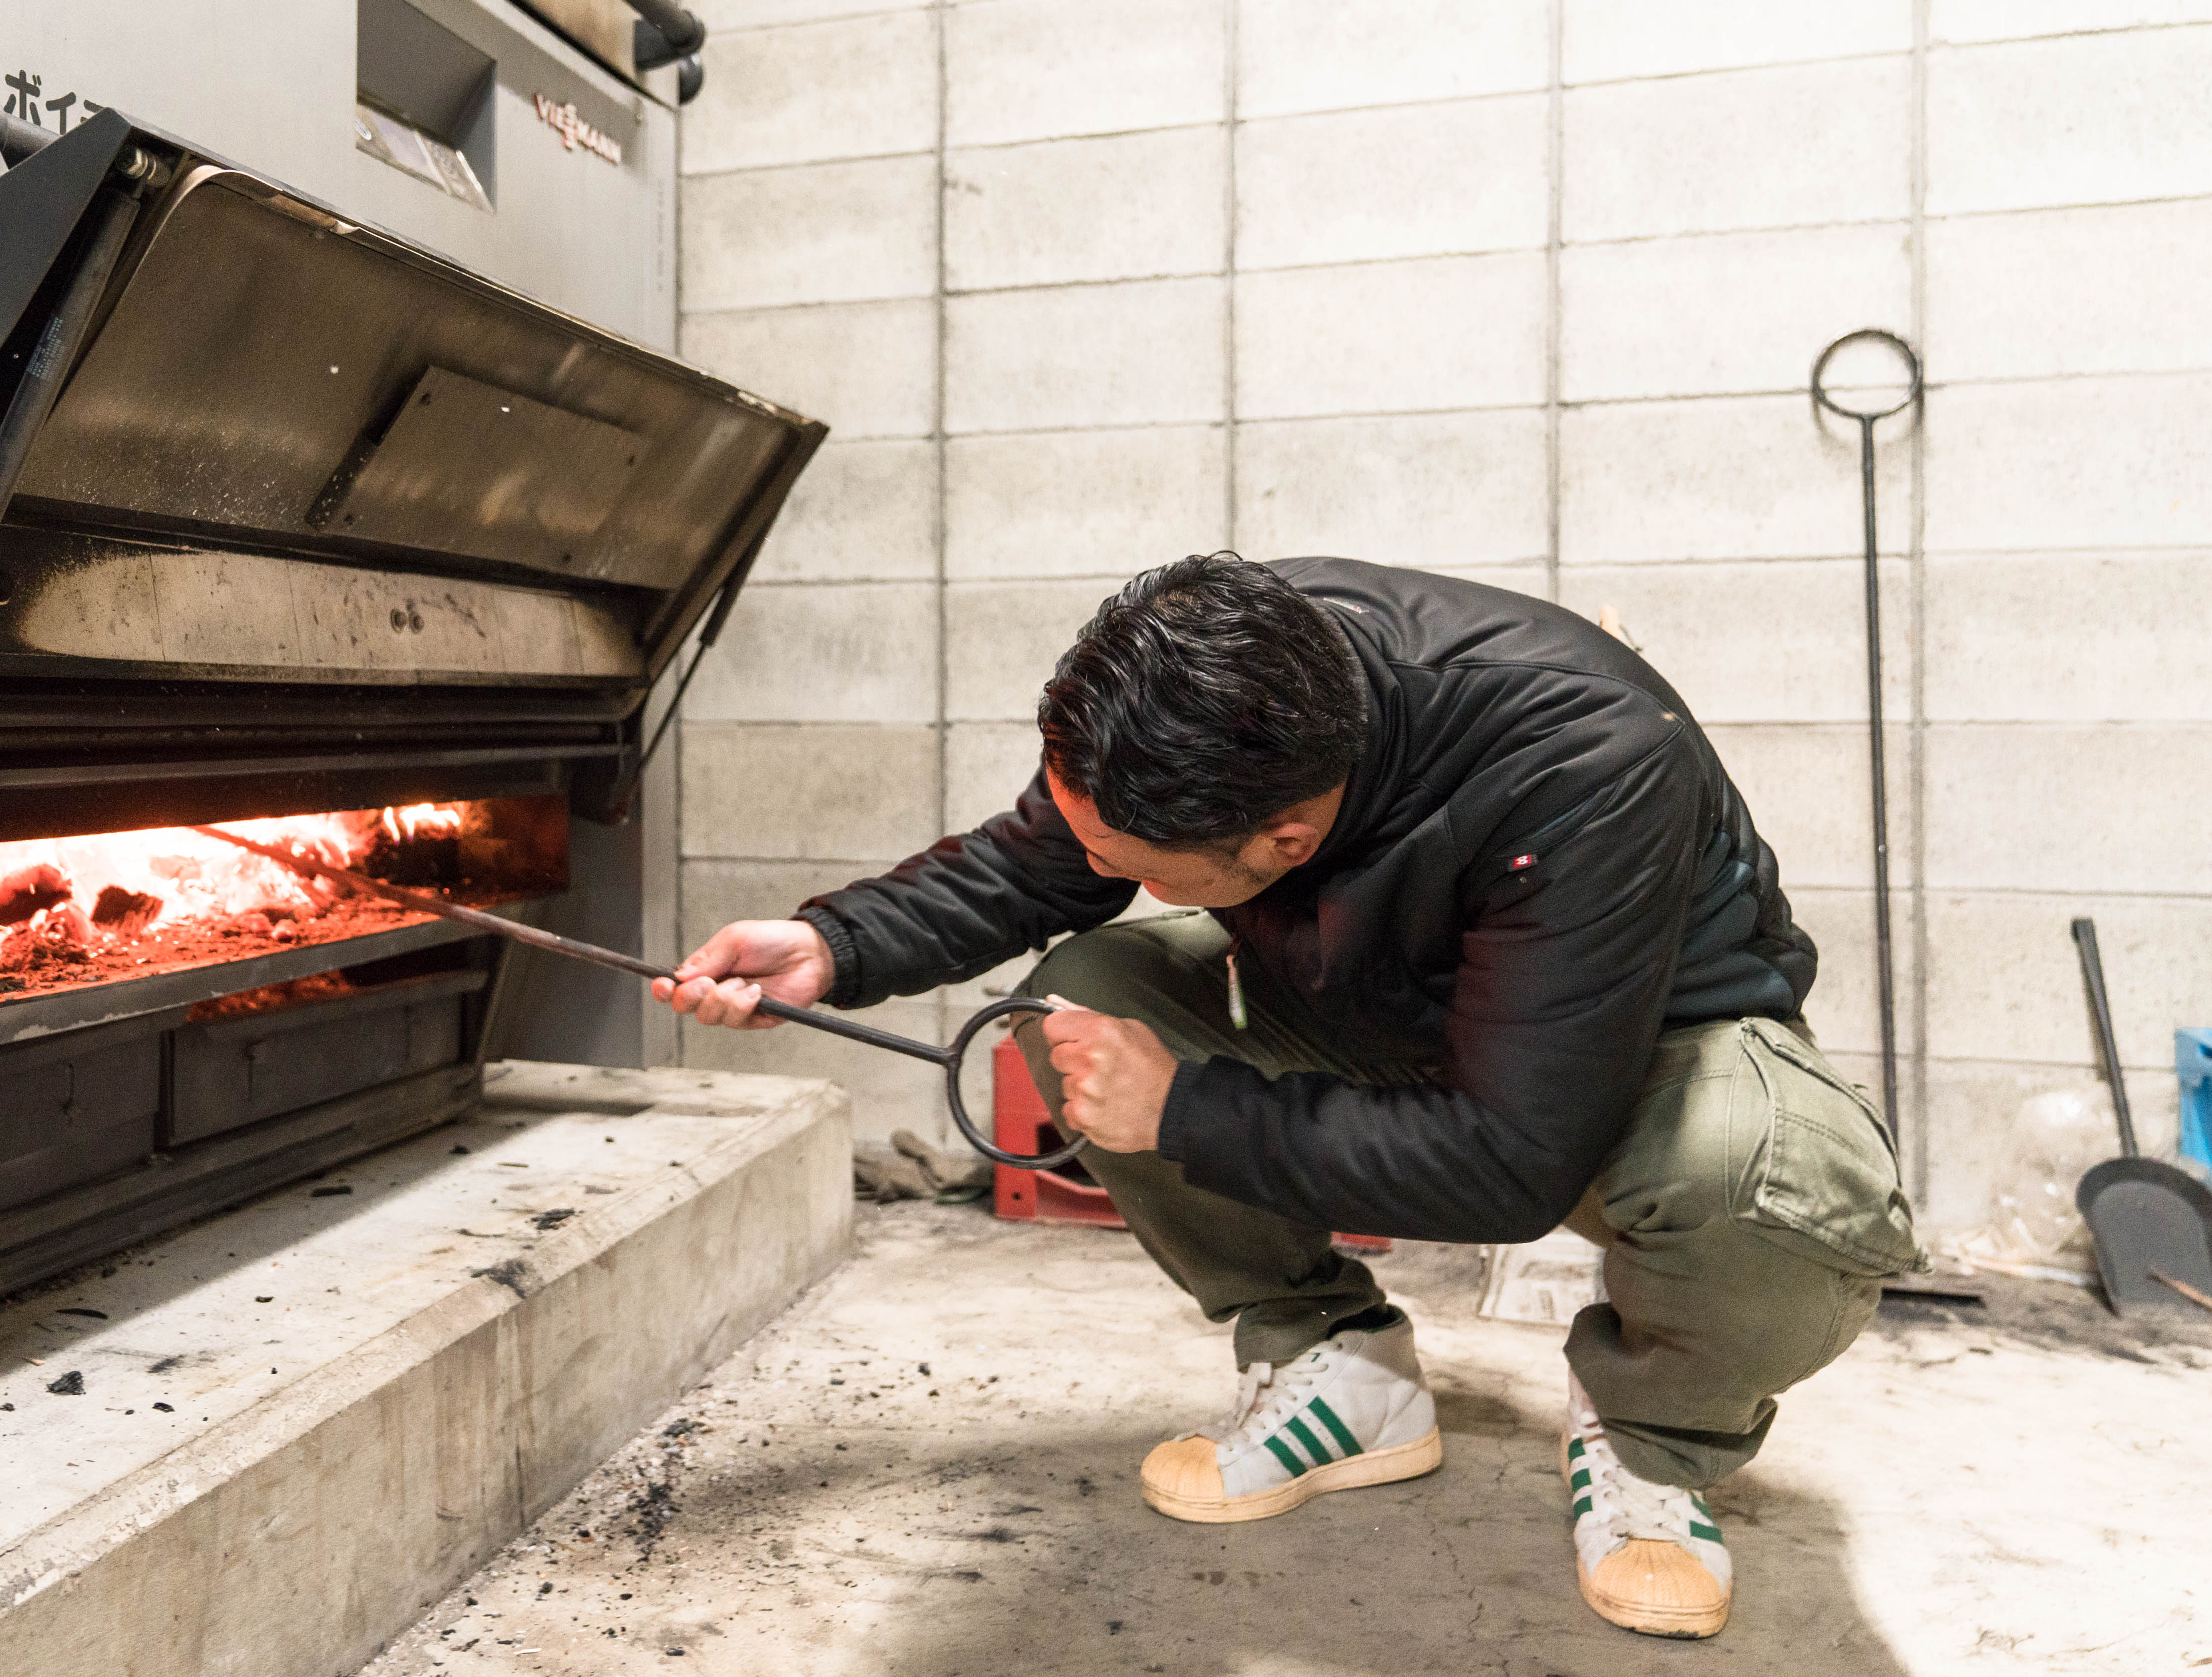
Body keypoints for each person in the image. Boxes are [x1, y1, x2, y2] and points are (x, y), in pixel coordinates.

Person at [654, 554, 1920, 1641]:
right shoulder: (1215, 679)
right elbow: (1036, 863)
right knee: (1087, 993)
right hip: (1375, 999)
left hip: (1628, 1054)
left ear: (1281, 843)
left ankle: (1649, 1437)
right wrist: (836, 943)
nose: (1083, 860)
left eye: (1121, 863)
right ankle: (1338, 1364)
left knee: (1771, 1176)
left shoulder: (1586, 756)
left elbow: (1511, 1164)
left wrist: (1185, 1110)